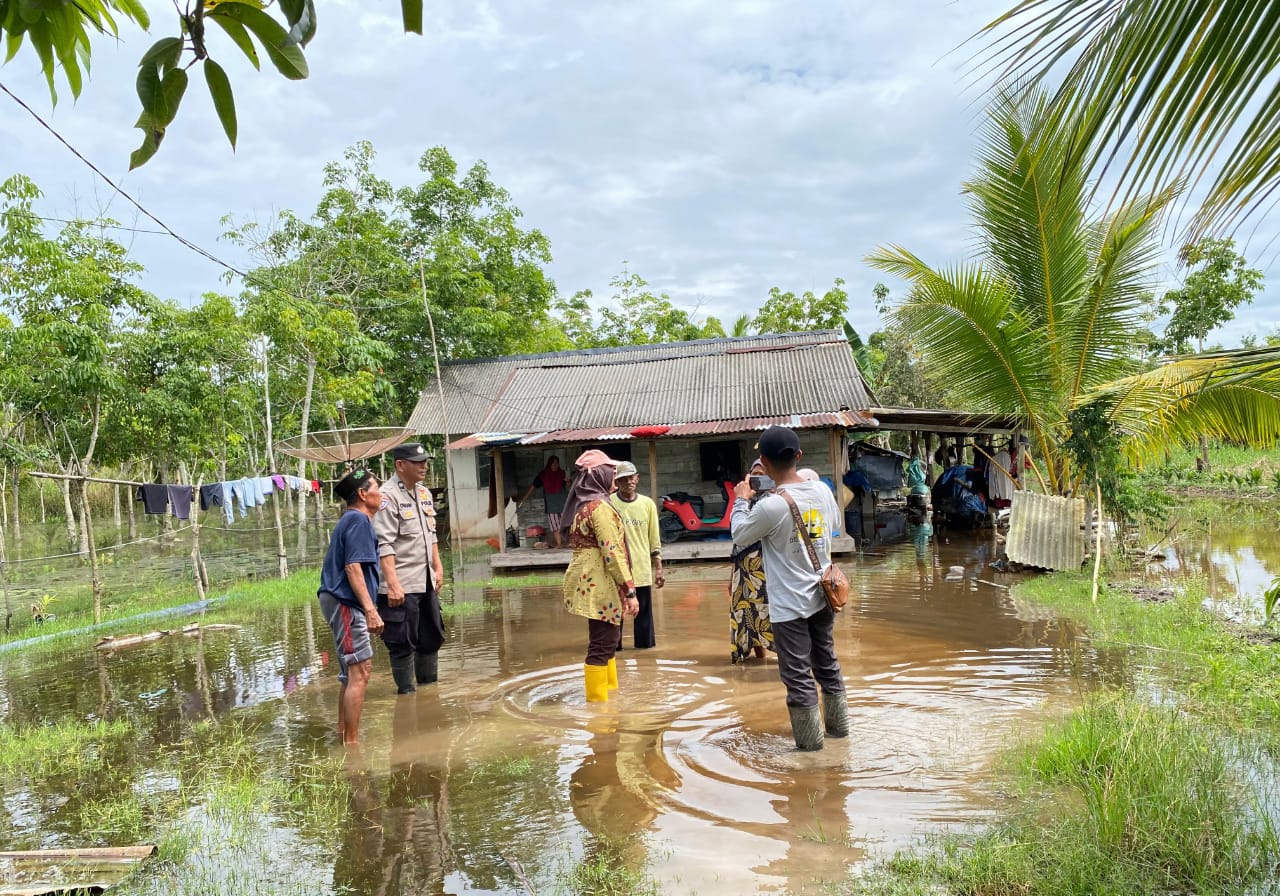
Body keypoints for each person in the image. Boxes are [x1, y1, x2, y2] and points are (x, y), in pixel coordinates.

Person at [731, 426, 847, 751]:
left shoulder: (771, 506)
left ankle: (811, 753)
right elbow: (834, 526)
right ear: (798, 456)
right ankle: (840, 736)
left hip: (789, 606)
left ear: (764, 463)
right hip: (824, 594)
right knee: (827, 664)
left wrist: (740, 500)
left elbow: (739, 535)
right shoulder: (821, 491)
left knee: (798, 677)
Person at [561, 452, 638, 702]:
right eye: (611, 472)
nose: (615, 476)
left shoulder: (585, 506)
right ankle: (598, 707)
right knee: (603, 643)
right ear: (599, 476)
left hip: (593, 581)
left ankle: (610, 695)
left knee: (608, 639)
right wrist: (630, 590)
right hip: (600, 582)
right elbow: (612, 551)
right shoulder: (600, 508)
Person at [318, 469, 385, 745]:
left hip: (339, 600)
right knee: (361, 670)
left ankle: (342, 733)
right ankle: (352, 746)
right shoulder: (358, 520)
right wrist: (370, 610)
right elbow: (352, 567)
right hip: (346, 601)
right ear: (362, 494)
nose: (381, 492)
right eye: (377, 487)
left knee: (351, 671)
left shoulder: (351, 520)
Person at [373, 442, 446, 694]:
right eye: (417, 462)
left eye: (425, 462)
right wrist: (392, 584)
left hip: (425, 580)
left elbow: (431, 536)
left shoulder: (424, 493)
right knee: (402, 642)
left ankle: (429, 694)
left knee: (431, 636)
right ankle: (406, 695)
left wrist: (438, 567)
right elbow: (384, 543)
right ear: (400, 465)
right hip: (402, 583)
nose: (424, 466)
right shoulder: (387, 496)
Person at [609, 460, 664, 649]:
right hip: (618, 569)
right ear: (617, 482)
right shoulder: (609, 503)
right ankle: (613, 650)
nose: (628, 482)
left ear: (637, 479)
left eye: (631, 478)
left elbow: (654, 538)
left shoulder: (647, 504)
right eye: (623, 479)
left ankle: (645, 654)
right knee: (616, 614)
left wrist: (658, 567)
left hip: (641, 568)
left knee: (644, 616)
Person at [729, 458, 773, 664]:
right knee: (747, 615)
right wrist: (732, 577)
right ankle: (759, 659)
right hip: (743, 570)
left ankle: (785, 660)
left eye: (762, 474)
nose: (757, 478)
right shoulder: (745, 502)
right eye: (754, 474)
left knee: (768, 614)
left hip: (765, 570)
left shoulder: (773, 503)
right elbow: (737, 542)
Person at [519, 455, 569, 548]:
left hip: (563, 503)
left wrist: (568, 481)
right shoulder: (543, 475)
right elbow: (533, 486)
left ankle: (568, 542)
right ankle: (559, 544)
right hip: (551, 505)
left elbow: (569, 486)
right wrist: (524, 498)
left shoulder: (562, 473)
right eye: (553, 463)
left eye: (557, 463)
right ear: (549, 464)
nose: (555, 465)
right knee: (555, 525)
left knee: (566, 523)